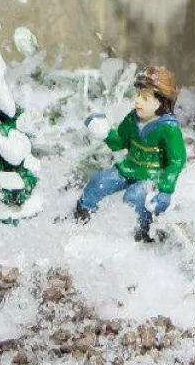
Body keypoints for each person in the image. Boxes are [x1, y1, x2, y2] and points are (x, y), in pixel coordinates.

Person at [74, 66, 186, 242]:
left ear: (162, 102)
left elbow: (176, 161)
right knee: (100, 181)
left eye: (145, 98)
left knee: (134, 197)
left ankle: (144, 229)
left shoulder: (169, 129)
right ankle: (82, 215)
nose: (137, 101)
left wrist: (165, 190)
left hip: (152, 176)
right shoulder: (133, 118)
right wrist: (105, 132)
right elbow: (120, 141)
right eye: (138, 95)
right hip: (129, 167)